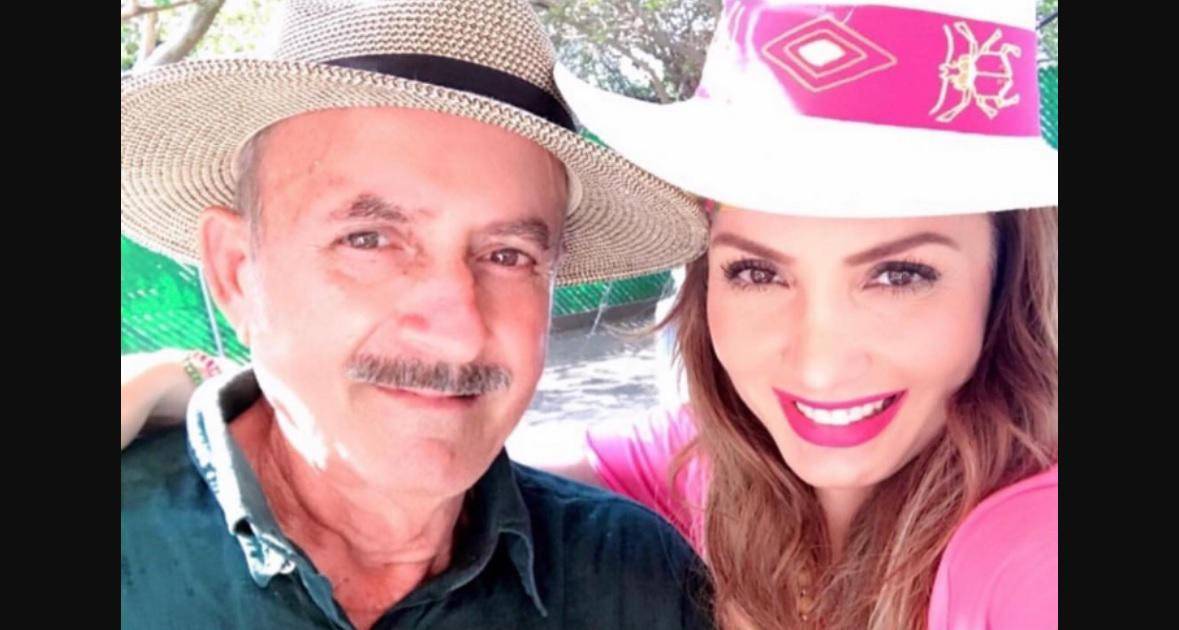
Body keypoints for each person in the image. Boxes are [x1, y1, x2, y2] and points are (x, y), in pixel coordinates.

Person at [120, 1, 712, 629]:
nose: (458, 335)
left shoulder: (634, 586)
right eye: (369, 240)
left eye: (508, 255)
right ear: (237, 272)